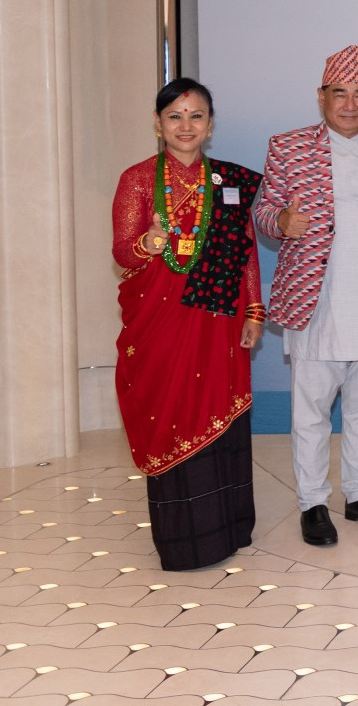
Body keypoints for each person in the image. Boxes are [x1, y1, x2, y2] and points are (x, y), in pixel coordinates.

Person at [253, 45, 358, 547]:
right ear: (321, 97)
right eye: (339, 93)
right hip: (315, 301)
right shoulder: (288, 146)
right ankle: (313, 503)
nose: (350, 104)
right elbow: (263, 210)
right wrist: (281, 220)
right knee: (311, 412)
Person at [111, 77, 264, 571]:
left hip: (219, 316)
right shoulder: (137, 179)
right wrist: (149, 244)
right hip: (160, 322)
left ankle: (230, 527)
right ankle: (185, 542)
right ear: (158, 124)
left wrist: (254, 311)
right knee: (170, 410)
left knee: (220, 406)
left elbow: (245, 253)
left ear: (210, 125)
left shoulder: (229, 182)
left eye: (196, 116)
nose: (185, 125)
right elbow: (122, 252)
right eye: (174, 116)